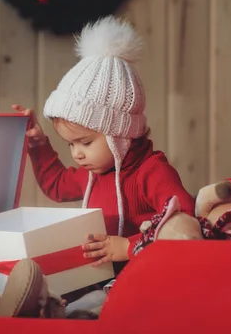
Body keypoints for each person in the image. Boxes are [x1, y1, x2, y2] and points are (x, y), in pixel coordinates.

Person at [11, 16, 197, 314]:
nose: (77, 155)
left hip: (141, 279)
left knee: (95, 306)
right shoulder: (94, 173)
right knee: (61, 289)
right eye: (70, 144)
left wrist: (129, 246)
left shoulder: (151, 171)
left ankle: (64, 313)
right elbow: (56, 185)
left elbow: (185, 220)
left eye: (85, 142)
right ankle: (19, 305)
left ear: (120, 135)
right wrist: (37, 143)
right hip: (97, 276)